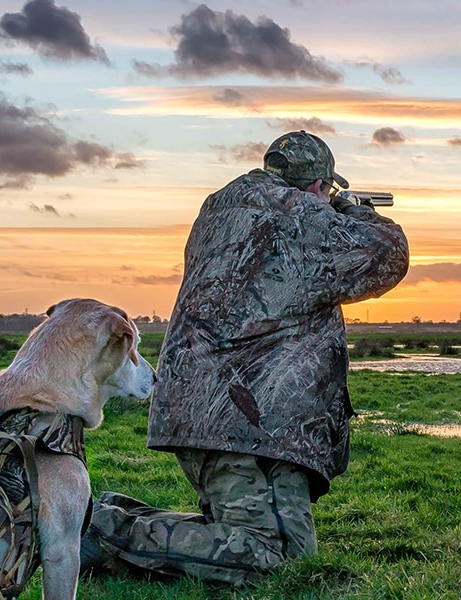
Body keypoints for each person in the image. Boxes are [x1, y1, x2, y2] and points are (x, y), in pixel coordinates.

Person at [82, 131, 409, 585]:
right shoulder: (297, 215)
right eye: (326, 190)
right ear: (317, 187)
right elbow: (386, 255)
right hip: (250, 425)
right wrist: (354, 208)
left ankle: (108, 520)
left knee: (240, 536)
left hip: (202, 410)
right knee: (275, 558)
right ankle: (96, 531)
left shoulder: (222, 206)